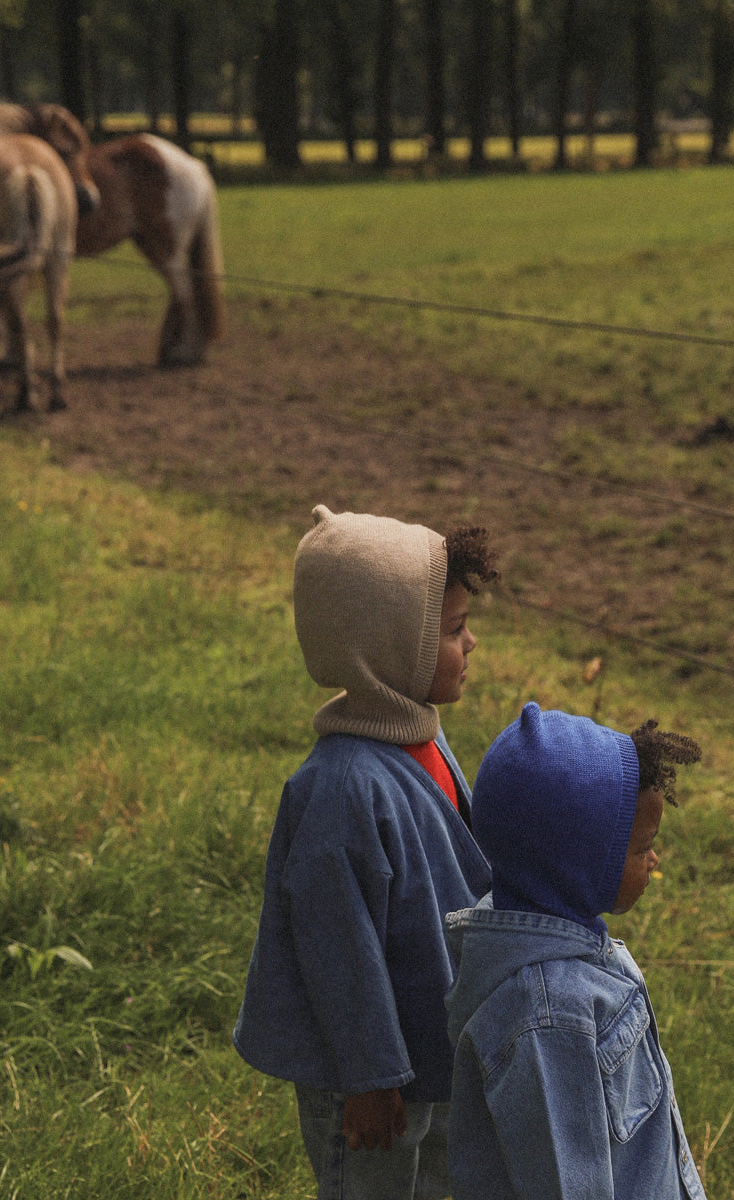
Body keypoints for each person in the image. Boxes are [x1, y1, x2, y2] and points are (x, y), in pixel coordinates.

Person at [234, 504, 500, 1200]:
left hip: (429, 1044)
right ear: (386, 646)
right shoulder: (343, 788)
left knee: (437, 1180)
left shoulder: (423, 738)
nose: (470, 643)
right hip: (368, 1077)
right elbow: (337, 945)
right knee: (374, 1185)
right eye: (452, 630)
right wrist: (368, 1078)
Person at [445, 702, 705, 1200]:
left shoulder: (554, 930)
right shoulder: (548, 1016)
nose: (655, 858)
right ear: (578, 867)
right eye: (641, 846)